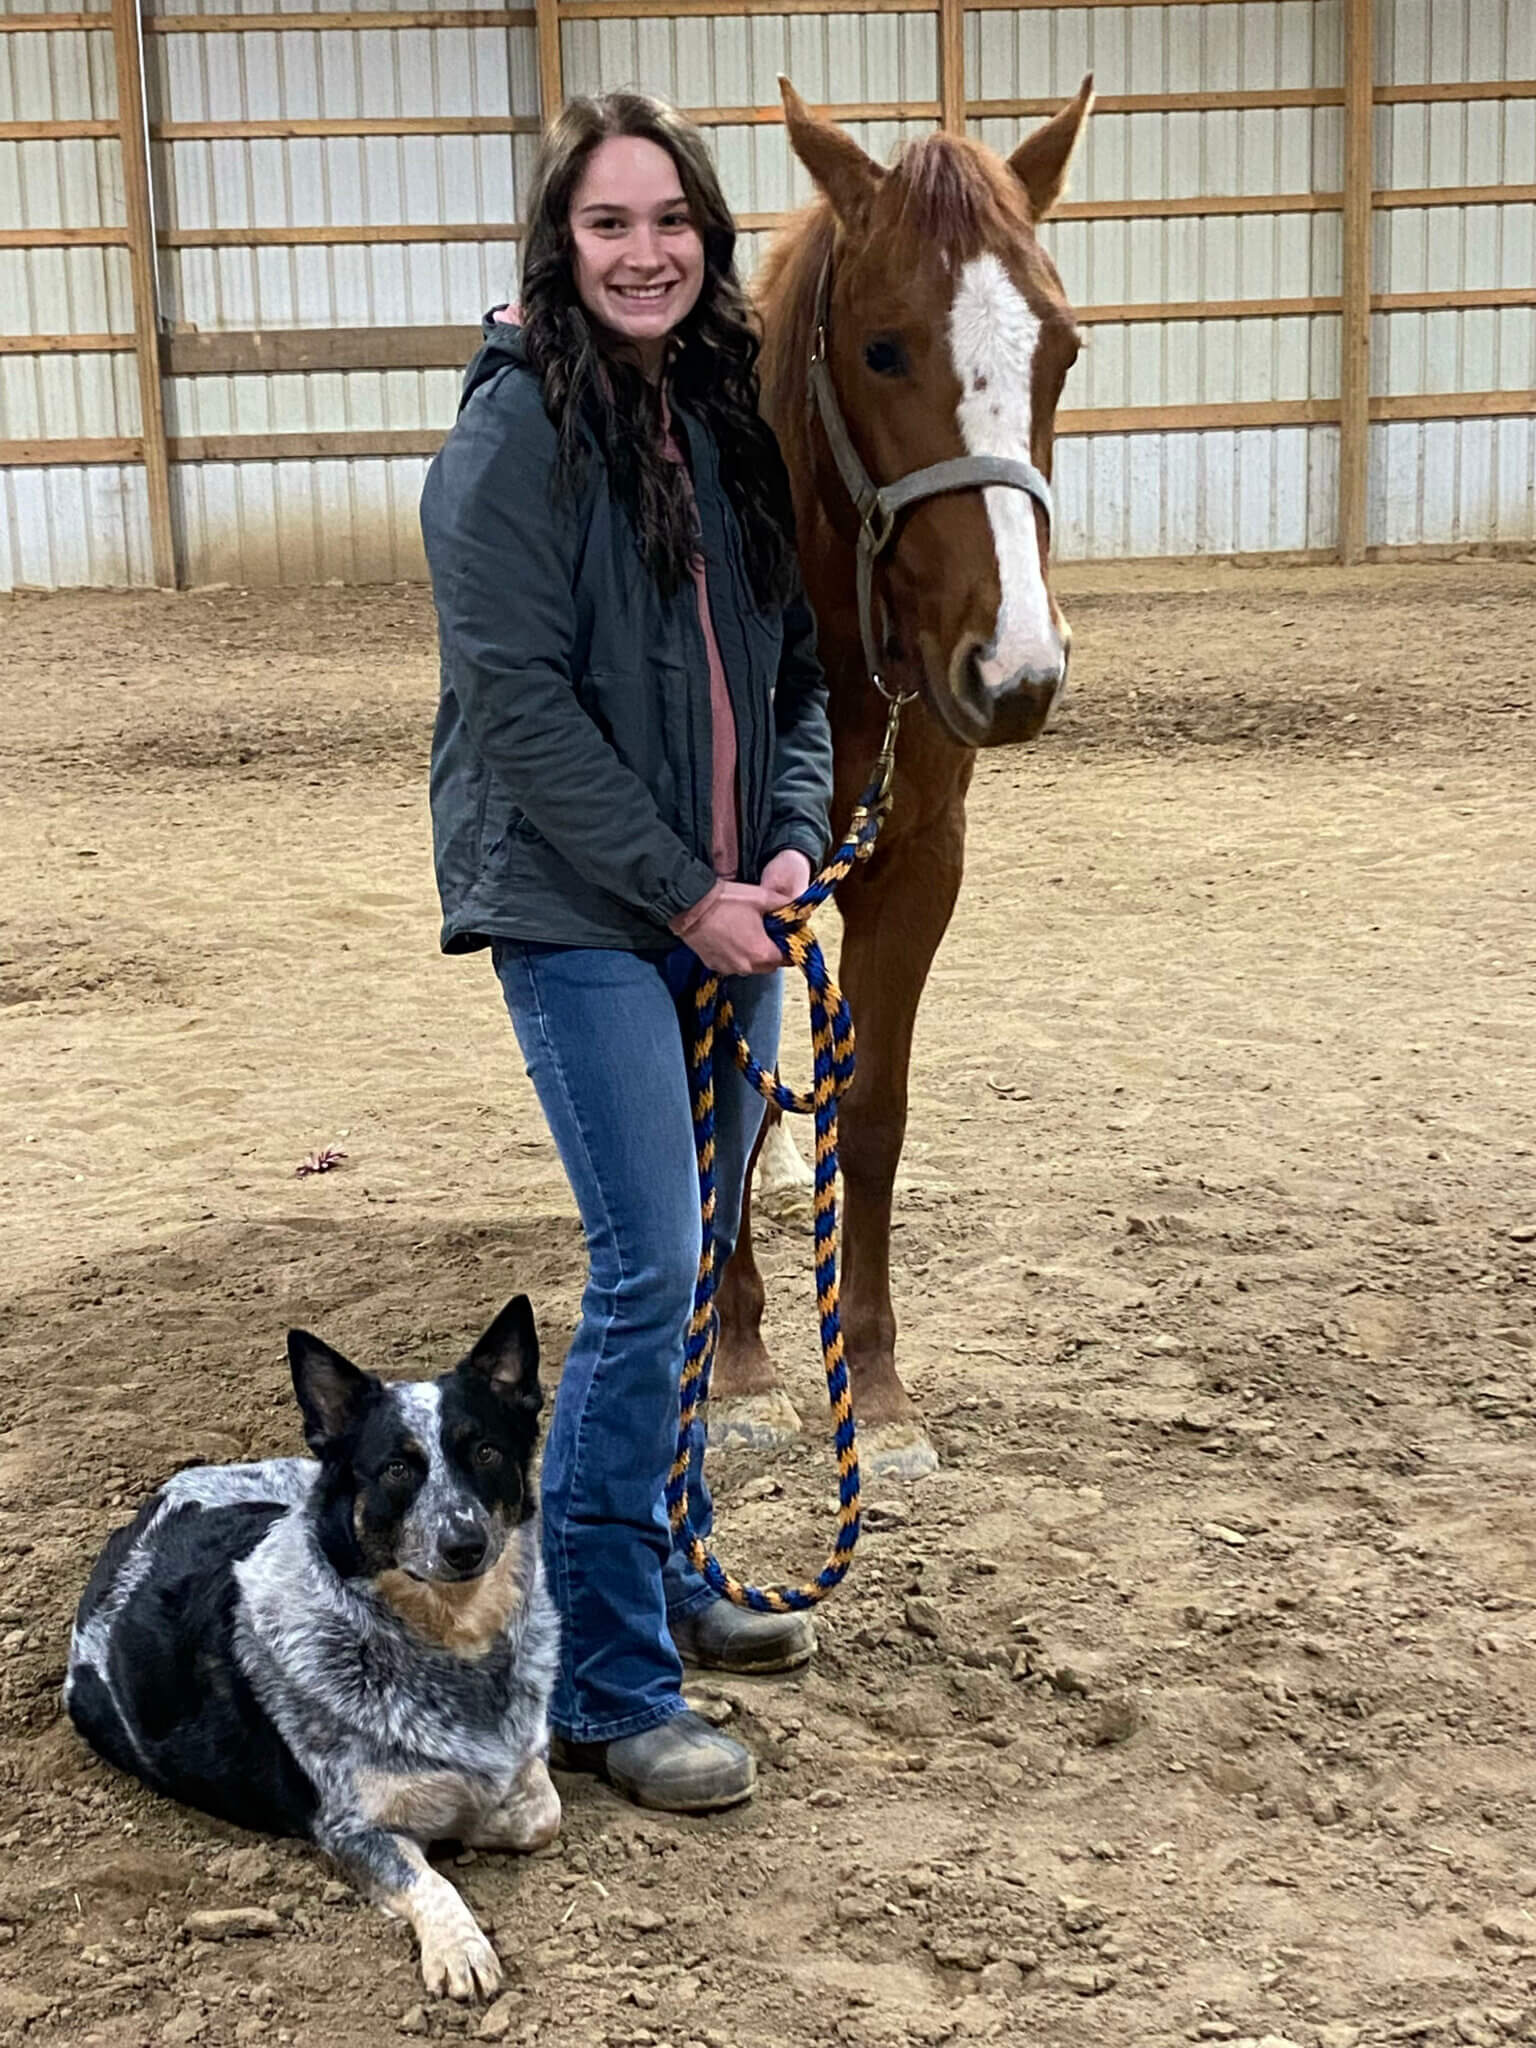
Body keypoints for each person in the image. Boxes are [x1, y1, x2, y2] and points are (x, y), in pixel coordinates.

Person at [419, 91, 832, 1815]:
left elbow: (798, 663)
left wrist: (794, 837)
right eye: (611, 225)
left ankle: (659, 1567)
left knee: (686, 1255)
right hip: (584, 911)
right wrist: (686, 894)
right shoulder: (512, 441)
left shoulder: (722, 417)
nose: (646, 252)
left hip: (729, 901)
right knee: (652, 1267)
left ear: (707, 239)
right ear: (561, 244)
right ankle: (603, 1686)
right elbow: (518, 710)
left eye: (672, 222)